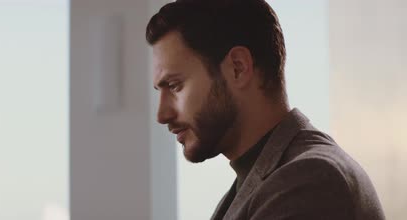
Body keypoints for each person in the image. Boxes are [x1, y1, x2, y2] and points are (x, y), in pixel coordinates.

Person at [146, 0, 385, 219]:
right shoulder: (257, 183)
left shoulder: (309, 182)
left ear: (238, 68)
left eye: (175, 86)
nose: (162, 115)